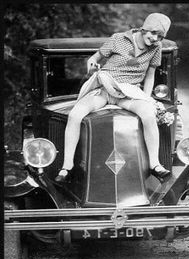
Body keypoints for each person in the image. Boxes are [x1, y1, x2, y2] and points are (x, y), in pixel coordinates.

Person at [55, 12, 171, 183]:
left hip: (129, 93)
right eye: (154, 33)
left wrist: (146, 99)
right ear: (144, 28)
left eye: (160, 36)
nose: (155, 39)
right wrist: (92, 66)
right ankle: (67, 167)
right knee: (75, 114)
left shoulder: (156, 48)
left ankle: (155, 164)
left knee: (148, 114)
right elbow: (94, 58)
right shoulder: (118, 39)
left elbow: (150, 75)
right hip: (105, 89)